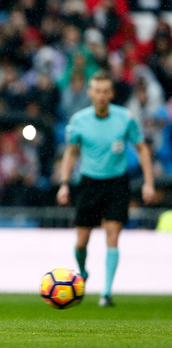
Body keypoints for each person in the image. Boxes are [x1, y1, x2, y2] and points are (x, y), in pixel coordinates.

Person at [57, 71, 155, 307]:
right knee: (81, 242)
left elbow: (142, 148)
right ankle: (83, 272)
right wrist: (64, 183)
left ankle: (106, 293)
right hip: (89, 182)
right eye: (97, 91)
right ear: (90, 93)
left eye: (105, 91)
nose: (101, 96)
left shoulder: (126, 118)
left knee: (112, 236)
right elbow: (71, 152)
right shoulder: (79, 120)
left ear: (111, 94)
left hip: (116, 183)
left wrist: (149, 182)